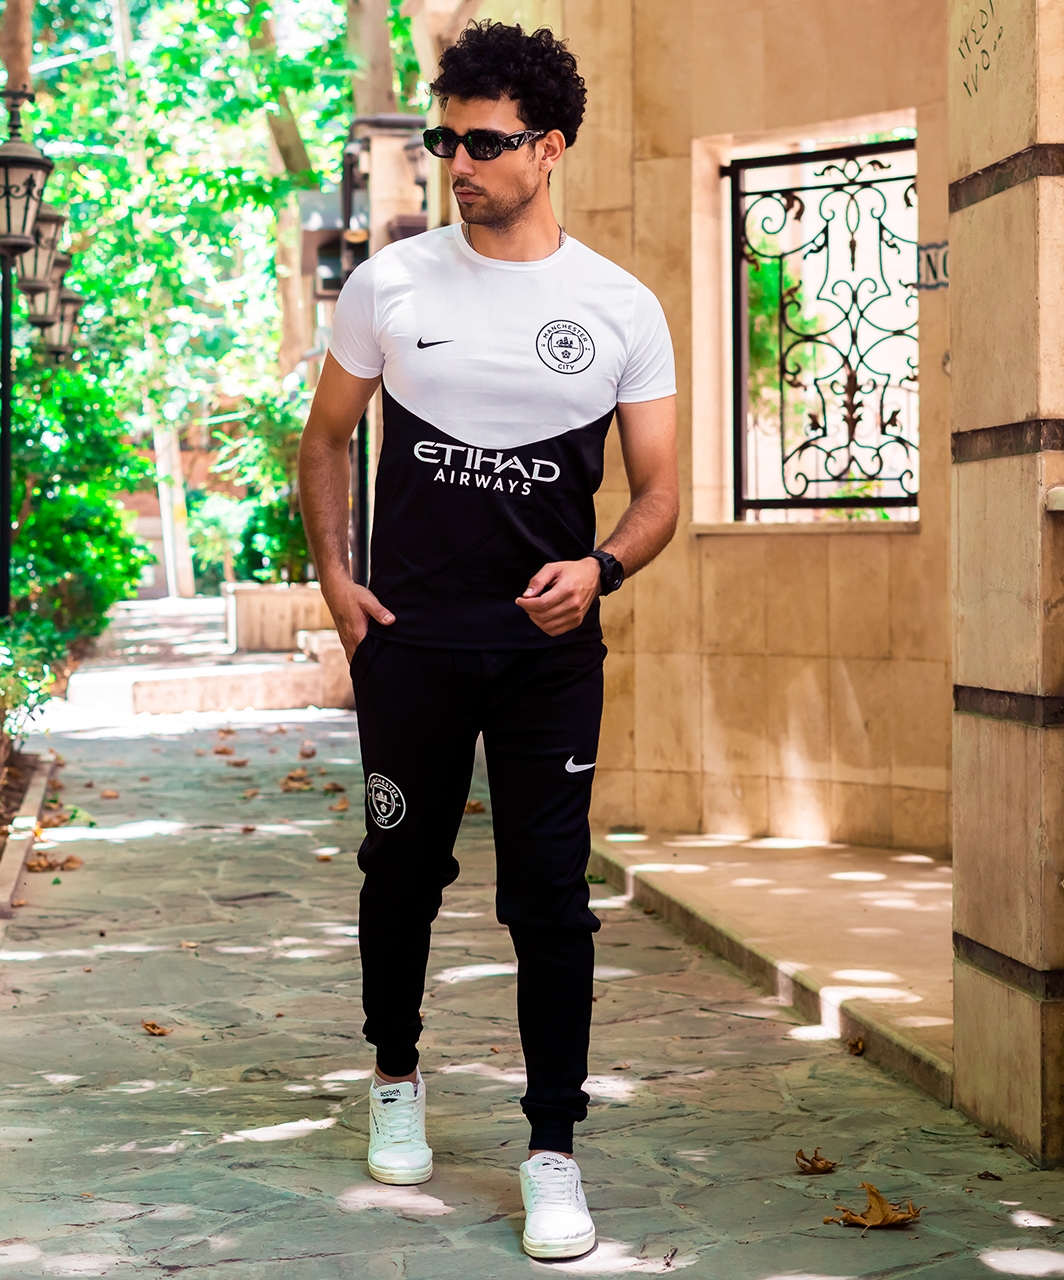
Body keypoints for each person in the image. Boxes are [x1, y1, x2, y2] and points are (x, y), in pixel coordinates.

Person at [298, 20, 678, 1261]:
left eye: (482, 141)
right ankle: (394, 1074)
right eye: (443, 138)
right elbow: (325, 439)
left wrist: (601, 565)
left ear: (547, 147)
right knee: (399, 870)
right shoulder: (389, 284)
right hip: (409, 646)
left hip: (545, 660)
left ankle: (551, 1148)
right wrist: (336, 578)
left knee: (549, 898)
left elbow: (659, 493)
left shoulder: (617, 305)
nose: (456, 162)